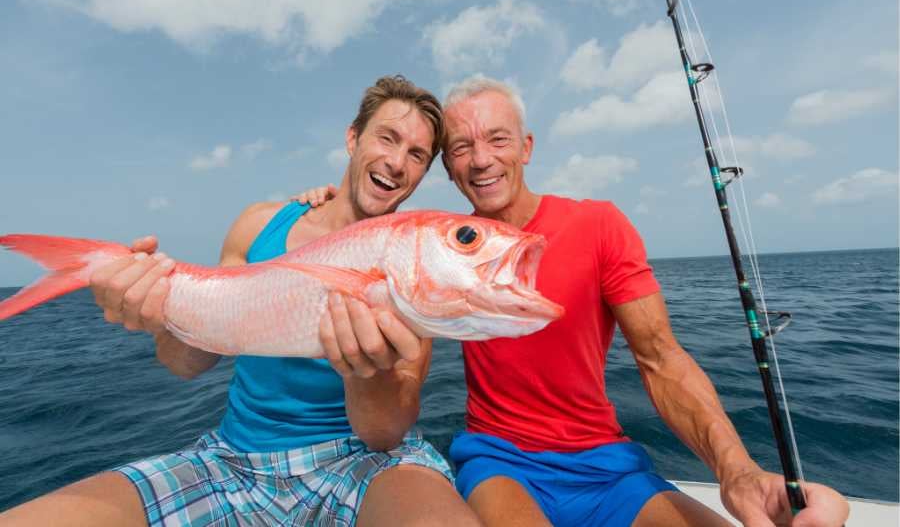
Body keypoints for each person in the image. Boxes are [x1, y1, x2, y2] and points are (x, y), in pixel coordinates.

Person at [298, 76, 850, 527]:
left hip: (609, 467)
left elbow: (662, 360)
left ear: (527, 147)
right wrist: (323, 203)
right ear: (449, 168)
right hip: (498, 462)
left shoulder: (599, 225)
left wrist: (737, 473)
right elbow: (402, 361)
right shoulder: (440, 251)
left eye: (498, 139)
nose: (482, 159)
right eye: (461, 147)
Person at [0, 76, 481, 527]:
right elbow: (187, 363)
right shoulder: (258, 224)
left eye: (418, 155)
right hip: (233, 459)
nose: (398, 162)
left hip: (366, 463)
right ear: (353, 138)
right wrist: (156, 315)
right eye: (387, 138)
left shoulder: (415, 263)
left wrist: (365, 369)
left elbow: (384, 434)